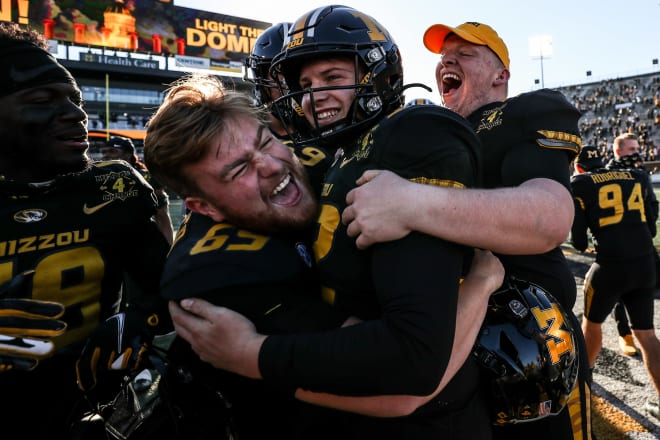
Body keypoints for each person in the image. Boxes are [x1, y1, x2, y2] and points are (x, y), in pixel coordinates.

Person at [167, 6, 508, 439]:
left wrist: (253, 354)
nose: (312, 97)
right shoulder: (336, 154)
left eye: (332, 79)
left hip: (430, 420)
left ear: (377, 74)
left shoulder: (409, 133)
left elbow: (414, 360)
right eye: (305, 85)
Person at [339, 21, 593, 439]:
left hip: (529, 347)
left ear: (501, 75)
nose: (447, 62)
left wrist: (410, 203)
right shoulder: (424, 130)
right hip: (449, 349)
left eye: (466, 53)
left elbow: (549, 217)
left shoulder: (517, 116)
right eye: (442, 57)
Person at [0, 22, 171, 439]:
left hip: (94, 409)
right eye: (43, 100)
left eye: (75, 100)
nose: (77, 114)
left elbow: (169, 288)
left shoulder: (115, 187)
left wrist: (140, 318)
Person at [571, 144, 660, 421]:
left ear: (579, 166)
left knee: (591, 325)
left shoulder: (580, 183)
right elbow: (652, 224)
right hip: (645, 263)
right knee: (646, 335)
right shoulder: (636, 176)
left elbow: (580, 241)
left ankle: (580, 391)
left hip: (610, 266)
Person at [100, 135, 174, 244]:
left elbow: (162, 218)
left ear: (128, 155)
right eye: (104, 152)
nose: (106, 156)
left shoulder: (146, 178)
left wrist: (169, 250)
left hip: (142, 242)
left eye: (112, 151)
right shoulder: (98, 177)